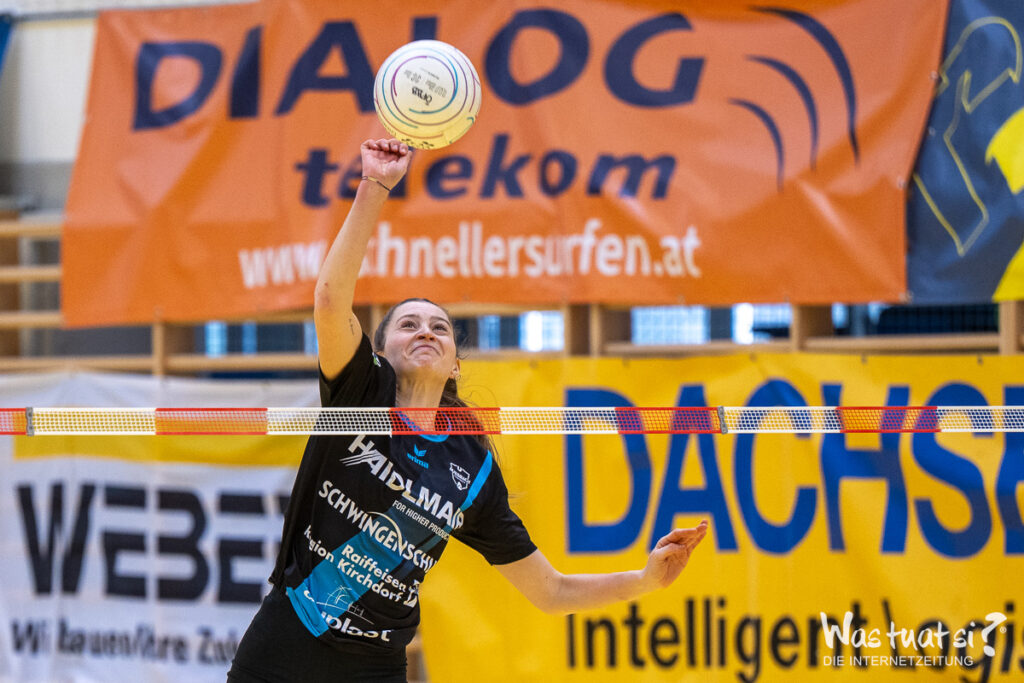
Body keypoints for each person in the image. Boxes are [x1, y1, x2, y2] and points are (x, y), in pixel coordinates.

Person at [227, 139, 709, 682]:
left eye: (440, 327)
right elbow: (330, 300)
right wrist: (375, 186)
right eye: (408, 325)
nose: (426, 331)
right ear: (380, 351)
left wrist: (645, 580)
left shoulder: (471, 468)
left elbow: (550, 591)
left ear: (455, 364)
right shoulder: (360, 391)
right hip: (286, 643)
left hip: (373, 667)